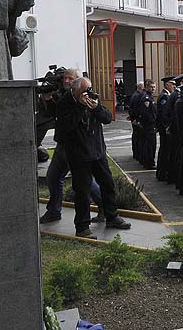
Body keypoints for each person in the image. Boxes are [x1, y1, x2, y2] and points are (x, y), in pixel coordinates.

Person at [54, 77, 132, 237]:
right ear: (75, 92)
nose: (88, 93)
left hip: (97, 151)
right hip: (79, 155)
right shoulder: (64, 103)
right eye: (84, 91)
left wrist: (96, 108)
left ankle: (112, 216)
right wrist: (81, 108)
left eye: (89, 89)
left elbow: (107, 118)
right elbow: (65, 127)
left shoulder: (93, 99)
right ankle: (82, 227)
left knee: (108, 184)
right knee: (82, 191)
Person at [38, 67, 78, 223]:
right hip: (63, 143)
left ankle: (107, 208)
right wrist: (47, 99)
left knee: (83, 180)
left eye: (70, 78)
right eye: (65, 78)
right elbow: (51, 114)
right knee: (53, 177)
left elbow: (65, 109)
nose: (67, 81)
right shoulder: (61, 93)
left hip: (75, 145)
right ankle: (54, 211)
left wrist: (54, 97)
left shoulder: (78, 93)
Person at [155, 76, 177, 181]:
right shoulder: (164, 96)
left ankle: (162, 173)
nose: (174, 86)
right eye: (172, 84)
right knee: (165, 151)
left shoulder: (166, 95)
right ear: (167, 84)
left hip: (164, 129)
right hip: (165, 129)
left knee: (164, 151)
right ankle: (162, 174)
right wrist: (167, 127)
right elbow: (164, 114)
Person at [137, 80, 157, 168]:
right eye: (151, 87)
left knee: (149, 144)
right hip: (149, 125)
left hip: (149, 125)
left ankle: (148, 161)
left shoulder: (150, 97)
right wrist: (152, 122)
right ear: (147, 87)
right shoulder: (146, 98)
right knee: (150, 145)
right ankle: (149, 163)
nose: (153, 89)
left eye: (154, 87)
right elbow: (146, 113)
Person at [128, 82, 145, 161]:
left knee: (136, 136)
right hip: (136, 119)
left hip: (134, 118)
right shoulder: (138, 96)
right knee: (138, 137)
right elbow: (135, 108)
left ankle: (136, 153)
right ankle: (138, 154)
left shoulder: (135, 95)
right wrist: (136, 119)